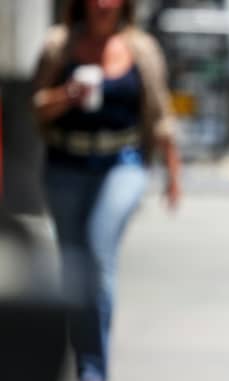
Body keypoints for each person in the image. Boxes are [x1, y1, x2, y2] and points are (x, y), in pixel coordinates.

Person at [31, 0, 181, 380]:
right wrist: (66, 96)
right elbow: (36, 106)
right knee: (74, 270)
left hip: (122, 163)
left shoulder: (141, 48)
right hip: (66, 163)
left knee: (98, 256)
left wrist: (173, 173)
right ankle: (82, 362)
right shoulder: (58, 45)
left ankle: (94, 370)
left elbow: (161, 113)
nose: (103, 4)